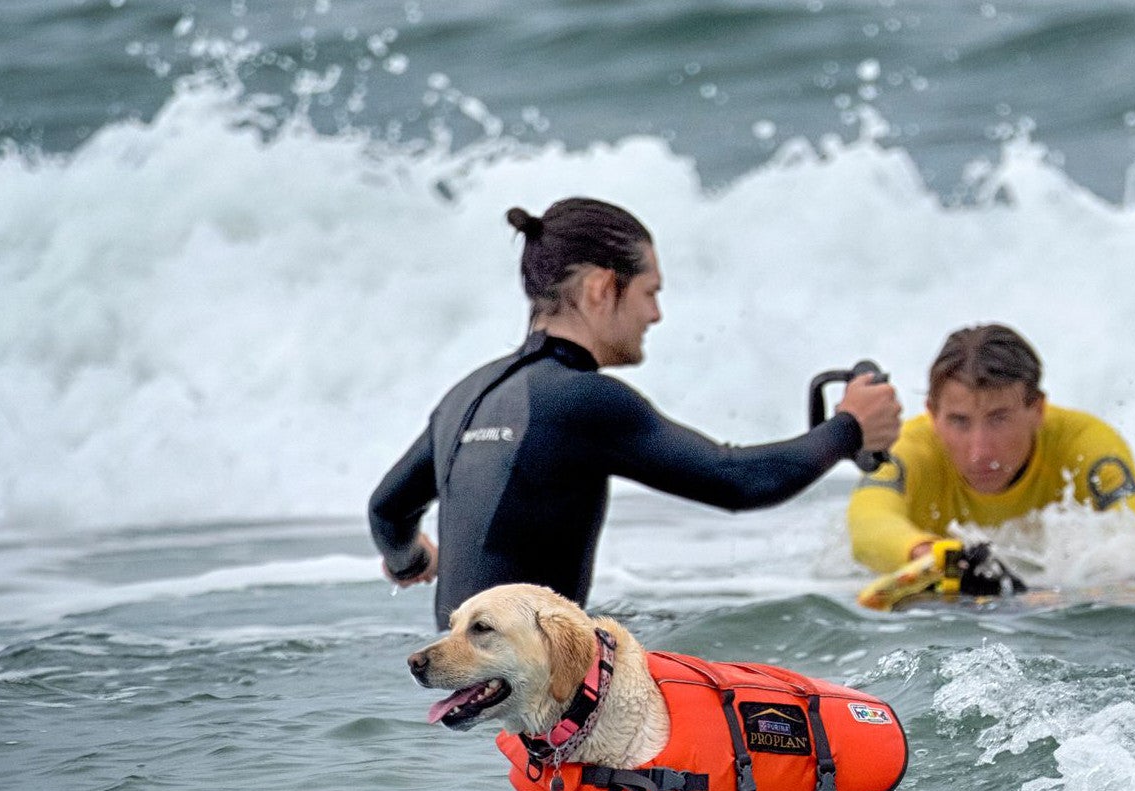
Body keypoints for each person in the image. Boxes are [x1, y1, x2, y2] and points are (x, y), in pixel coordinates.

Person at [369, 197, 901, 628]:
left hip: (460, 683)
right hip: (529, 693)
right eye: (649, 292)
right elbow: (738, 480)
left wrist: (413, 562)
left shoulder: (467, 394)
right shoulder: (582, 399)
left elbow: (387, 511)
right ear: (603, 288)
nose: (656, 314)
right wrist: (848, 427)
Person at [847, 323, 1135, 573]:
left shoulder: (1084, 443)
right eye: (959, 421)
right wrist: (933, 556)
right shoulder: (909, 447)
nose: (979, 452)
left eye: (998, 419)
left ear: (1037, 410)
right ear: (933, 415)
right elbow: (866, 526)